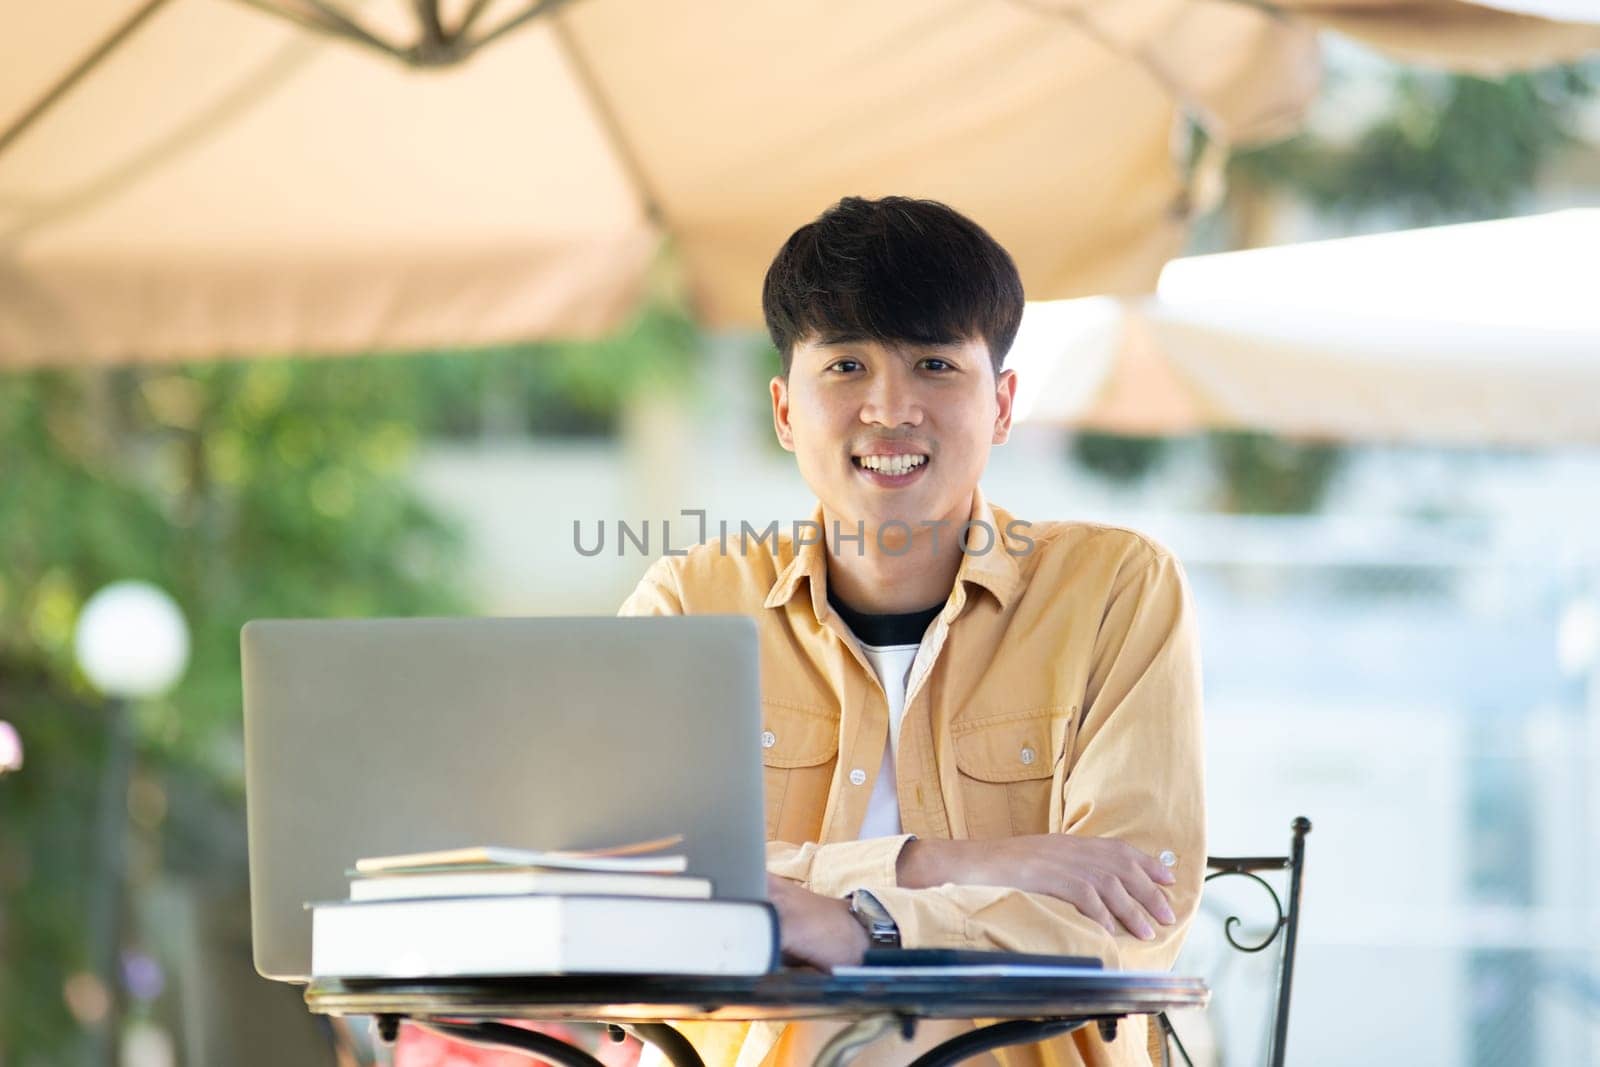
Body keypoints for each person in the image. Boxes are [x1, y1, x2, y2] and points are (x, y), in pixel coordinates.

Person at [619, 195, 1205, 1067]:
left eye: (934, 363)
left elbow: (1129, 921)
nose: (890, 408)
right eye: (847, 365)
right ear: (784, 411)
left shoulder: (1115, 590)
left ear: (1002, 405)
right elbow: (631, 888)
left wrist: (859, 922)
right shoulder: (690, 600)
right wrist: (938, 865)